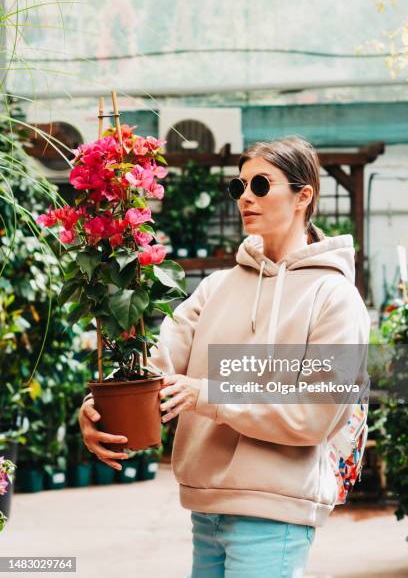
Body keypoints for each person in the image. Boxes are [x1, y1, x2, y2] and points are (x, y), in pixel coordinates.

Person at [79, 136, 371, 577]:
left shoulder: (335, 298)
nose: (245, 198)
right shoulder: (217, 287)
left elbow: (316, 414)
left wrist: (206, 396)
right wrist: (97, 410)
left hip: (275, 513)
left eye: (260, 184)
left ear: (303, 196)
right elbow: (154, 368)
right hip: (205, 506)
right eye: (239, 188)